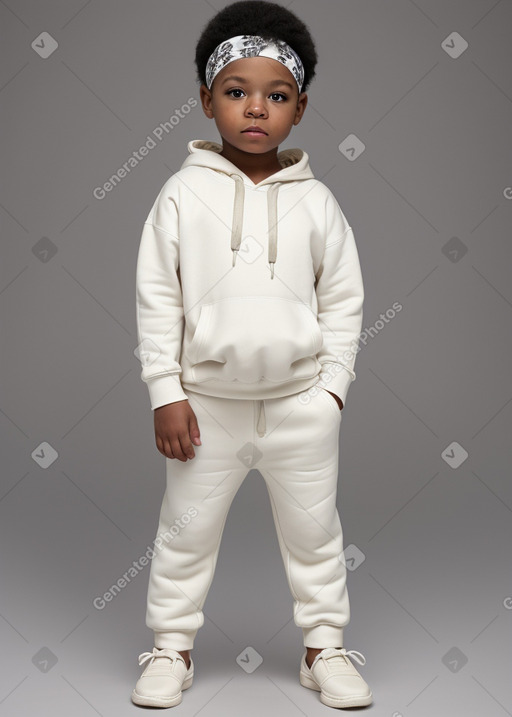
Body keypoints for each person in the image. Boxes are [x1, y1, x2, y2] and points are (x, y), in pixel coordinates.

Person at [131, 0, 373, 709]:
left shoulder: (320, 203)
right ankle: (170, 648)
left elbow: (346, 301)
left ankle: (323, 646)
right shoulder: (178, 196)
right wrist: (164, 391)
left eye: (277, 95)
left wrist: (332, 391)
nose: (255, 109)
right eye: (236, 92)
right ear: (207, 101)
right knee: (185, 532)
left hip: (301, 408)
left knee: (316, 533)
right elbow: (157, 298)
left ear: (300, 108)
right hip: (204, 410)